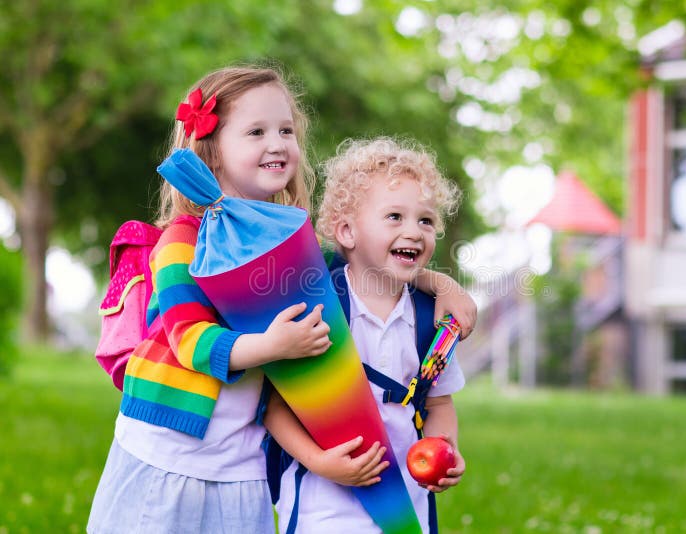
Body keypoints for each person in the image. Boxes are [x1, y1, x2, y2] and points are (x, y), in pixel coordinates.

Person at [87, 66, 475, 533]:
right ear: (210, 153)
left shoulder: (288, 239)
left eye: (286, 130)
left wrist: (442, 285)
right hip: (170, 451)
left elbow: (364, 264)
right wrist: (273, 346)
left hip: (242, 463)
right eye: (256, 131)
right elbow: (191, 341)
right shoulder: (180, 241)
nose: (277, 142)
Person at [270, 137, 467, 534]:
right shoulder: (319, 309)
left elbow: (440, 401)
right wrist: (318, 462)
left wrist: (444, 446)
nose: (414, 231)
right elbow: (277, 406)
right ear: (346, 231)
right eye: (394, 216)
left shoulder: (433, 319)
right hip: (323, 501)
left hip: (406, 500)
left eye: (425, 220)